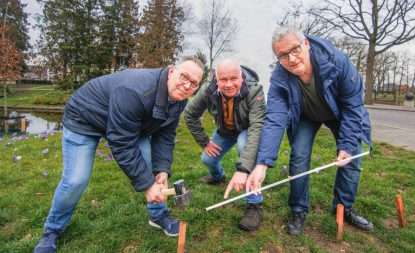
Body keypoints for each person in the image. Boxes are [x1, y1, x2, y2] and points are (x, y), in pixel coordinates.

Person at [34, 56, 204, 253]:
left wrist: (162, 169)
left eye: (194, 84)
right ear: (172, 71)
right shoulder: (135, 90)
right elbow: (121, 142)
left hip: (130, 122)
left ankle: (158, 215)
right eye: (184, 77)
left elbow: (165, 134)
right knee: (75, 180)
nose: (186, 85)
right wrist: (146, 185)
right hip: (85, 117)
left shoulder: (178, 99)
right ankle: (52, 231)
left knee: (151, 168)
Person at [245, 26, 373, 235]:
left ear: (306, 44)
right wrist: (262, 164)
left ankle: (344, 208)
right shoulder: (279, 78)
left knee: (352, 156)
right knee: (299, 156)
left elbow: (353, 107)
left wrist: (347, 145)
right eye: (283, 56)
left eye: (295, 50)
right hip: (306, 115)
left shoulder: (338, 62)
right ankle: (298, 209)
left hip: (340, 113)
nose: (292, 59)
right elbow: (275, 119)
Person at [184, 59, 266, 231]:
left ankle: (254, 204)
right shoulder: (208, 90)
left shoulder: (255, 90)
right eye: (223, 79)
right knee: (207, 159)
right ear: (216, 78)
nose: (228, 84)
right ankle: (218, 176)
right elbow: (190, 114)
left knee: (245, 149)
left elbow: (257, 127)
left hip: (247, 130)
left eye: (233, 78)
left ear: (241, 77)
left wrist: (243, 169)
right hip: (225, 131)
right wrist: (204, 142)